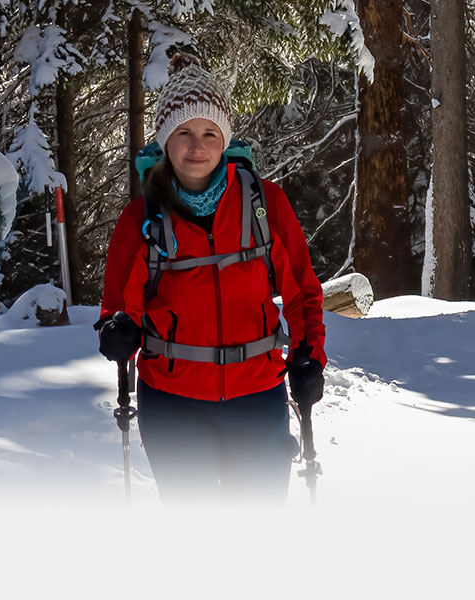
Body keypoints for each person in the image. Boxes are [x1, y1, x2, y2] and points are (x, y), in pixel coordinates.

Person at [96, 53, 327, 506]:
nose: (196, 146)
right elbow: (119, 308)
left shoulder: (266, 203)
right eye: (183, 132)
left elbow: (302, 294)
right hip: (173, 402)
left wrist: (309, 358)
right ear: (166, 140)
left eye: (208, 133)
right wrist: (117, 332)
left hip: (256, 396)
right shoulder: (141, 217)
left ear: (225, 139)